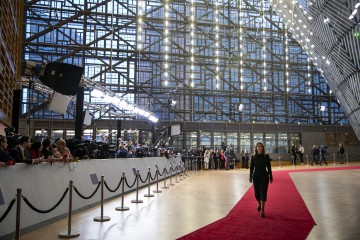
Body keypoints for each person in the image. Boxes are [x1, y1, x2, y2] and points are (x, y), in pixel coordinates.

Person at [249, 142, 273, 217]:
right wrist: (250, 176)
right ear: (256, 148)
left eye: (261, 146)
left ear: (263, 148)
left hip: (264, 176)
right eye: (258, 146)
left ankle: (262, 210)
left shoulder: (266, 156)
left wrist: (271, 176)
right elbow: (251, 167)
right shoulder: (253, 157)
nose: (259, 147)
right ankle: (259, 203)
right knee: (256, 193)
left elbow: (269, 167)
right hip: (256, 176)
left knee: (263, 192)